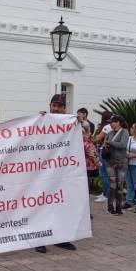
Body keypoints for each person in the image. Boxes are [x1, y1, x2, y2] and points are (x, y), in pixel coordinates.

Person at [35, 94, 77, 254]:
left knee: (61, 205)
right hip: (43, 173)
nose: (56, 109)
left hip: (62, 173)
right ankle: (40, 239)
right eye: (54, 105)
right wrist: (38, 120)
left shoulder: (70, 123)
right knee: (41, 206)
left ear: (64, 108)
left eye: (59, 106)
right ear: (50, 106)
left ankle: (60, 237)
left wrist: (80, 122)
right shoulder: (42, 121)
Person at [104, 115, 128, 215]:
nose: (110, 123)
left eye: (112, 122)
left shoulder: (124, 132)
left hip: (121, 162)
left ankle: (118, 208)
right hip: (110, 162)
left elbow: (123, 144)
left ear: (118, 122)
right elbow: (105, 144)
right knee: (112, 184)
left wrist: (110, 142)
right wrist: (106, 145)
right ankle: (110, 207)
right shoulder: (109, 133)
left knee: (119, 185)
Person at [92, 111, 113, 203]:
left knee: (103, 173)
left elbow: (97, 138)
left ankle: (105, 195)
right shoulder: (113, 126)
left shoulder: (106, 127)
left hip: (103, 150)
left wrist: (90, 136)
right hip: (111, 152)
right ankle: (105, 192)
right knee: (107, 173)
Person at [82, 122, 101, 220]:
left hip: (87, 168)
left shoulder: (87, 142)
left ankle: (86, 212)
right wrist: (98, 162)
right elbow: (92, 154)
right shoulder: (86, 143)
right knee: (85, 191)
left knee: (85, 191)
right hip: (86, 168)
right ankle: (85, 212)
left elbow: (93, 153)